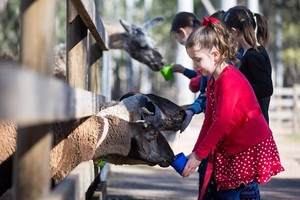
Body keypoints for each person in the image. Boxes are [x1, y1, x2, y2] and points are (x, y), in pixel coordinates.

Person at [181, 16, 284, 200]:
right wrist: (196, 153)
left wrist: (199, 156)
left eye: (197, 59)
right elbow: (209, 121)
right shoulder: (213, 81)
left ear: (215, 54)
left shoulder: (229, 80)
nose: (194, 66)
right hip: (236, 145)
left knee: (228, 194)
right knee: (238, 194)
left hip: (248, 146)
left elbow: (221, 122)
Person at [223, 6, 273, 123]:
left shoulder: (253, 55)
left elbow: (266, 88)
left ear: (234, 31)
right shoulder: (253, 52)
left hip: (256, 123)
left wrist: (237, 90)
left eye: (228, 33)